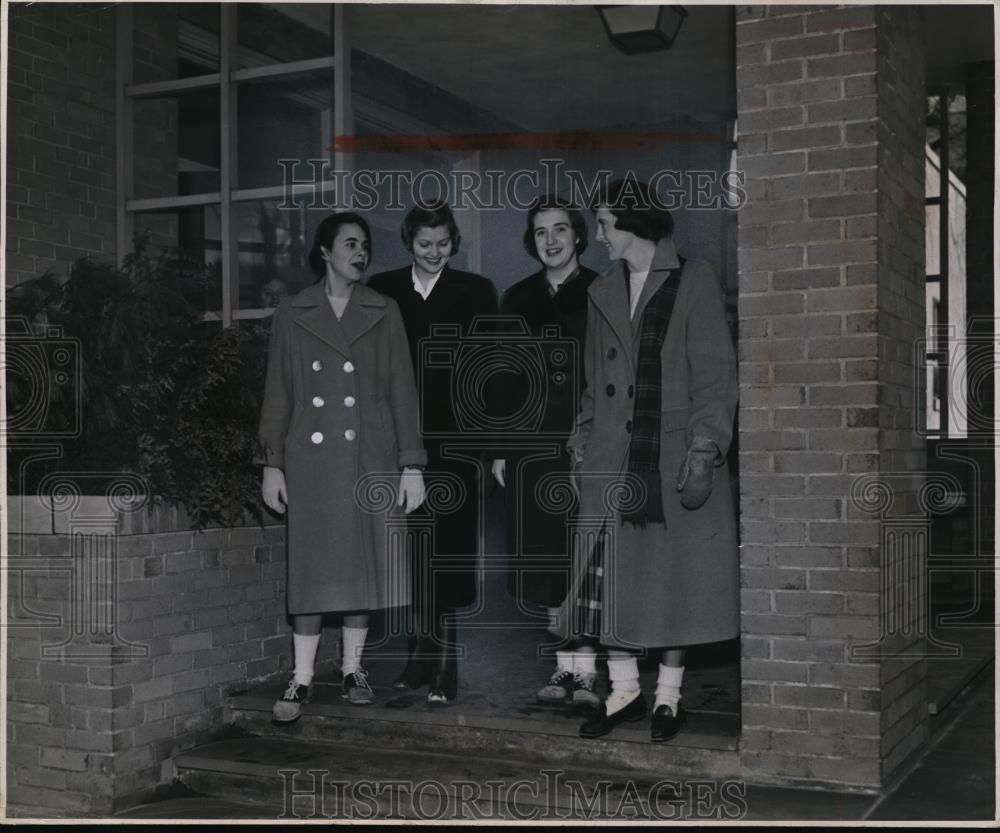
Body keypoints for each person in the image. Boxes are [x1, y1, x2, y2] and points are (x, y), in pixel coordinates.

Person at [554, 179, 739, 742]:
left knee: (671, 578)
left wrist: (705, 448)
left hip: (672, 456)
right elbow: (592, 384)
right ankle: (625, 691)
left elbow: (716, 377)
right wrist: (581, 439)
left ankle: (668, 697)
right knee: (612, 580)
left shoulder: (694, 278)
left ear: (634, 224)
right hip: (612, 457)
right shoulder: (601, 291)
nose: (600, 236)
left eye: (606, 225)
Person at [258, 212, 427, 724]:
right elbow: (278, 393)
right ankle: (303, 675)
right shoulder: (293, 311)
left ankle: (354, 668)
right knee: (311, 567)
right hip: (311, 462)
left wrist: (411, 464)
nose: (360, 253)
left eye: (365, 245)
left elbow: (403, 390)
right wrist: (273, 464)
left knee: (361, 564)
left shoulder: (384, 310)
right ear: (325, 253)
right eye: (349, 244)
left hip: (367, 456)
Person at [368, 200, 498, 704]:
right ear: (408, 242)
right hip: (400, 442)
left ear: (454, 241)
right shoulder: (382, 292)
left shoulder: (476, 290)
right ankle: (417, 657)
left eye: (444, 244)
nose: (435, 253)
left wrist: (488, 453)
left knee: (448, 556)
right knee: (412, 556)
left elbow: (492, 372)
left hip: (459, 445)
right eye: (425, 245)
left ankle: (446, 665)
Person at [489, 196, 600, 708]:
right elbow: (503, 379)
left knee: (586, 552)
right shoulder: (516, 298)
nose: (551, 240)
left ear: (579, 235)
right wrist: (499, 449)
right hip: (531, 446)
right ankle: (563, 670)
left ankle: (590, 670)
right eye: (540, 233)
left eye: (560, 230)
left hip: (588, 441)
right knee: (545, 555)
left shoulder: (605, 290)